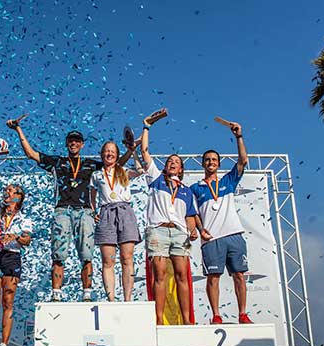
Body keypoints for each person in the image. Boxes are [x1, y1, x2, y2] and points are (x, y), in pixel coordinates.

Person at [7, 117, 133, 302]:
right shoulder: (57, 162)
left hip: (85, 212)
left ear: (82, 145)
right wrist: (18, 129)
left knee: (87, 255)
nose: (73, 143)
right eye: (70, 141)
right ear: (67, 144)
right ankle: (56, 294)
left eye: (77, 141)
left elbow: (117, 165)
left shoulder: (92, 165)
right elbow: (32, 154)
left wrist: (130, 149)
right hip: (62, 211)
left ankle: (86, 294)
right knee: (58, 254)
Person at [190, 120, 254, 324]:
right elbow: (194, 213)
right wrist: (201, 230)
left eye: (214, 160)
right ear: (203, 164)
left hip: (234, 234)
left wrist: (238, 136)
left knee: (239, 276)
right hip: (211, 239)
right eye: (207, 160)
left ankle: (242, 314)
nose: (211, 162)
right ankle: (216, 316)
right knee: (213, 278)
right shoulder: (195, 188)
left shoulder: (228, 181)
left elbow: (243, 161)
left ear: (218, 163)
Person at [140, 109, 199, 324]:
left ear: (181, 169)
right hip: (158, 230)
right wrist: (147, 126)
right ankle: (158, 320)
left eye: (177, 161)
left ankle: (187, 320)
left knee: (183, 275)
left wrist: (193, 231)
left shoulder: (187, 190)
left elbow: (190, 217)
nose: (173, 162)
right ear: (165, 166)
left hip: (179, 233)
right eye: (170, 160)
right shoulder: (156, 179)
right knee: (160, 274)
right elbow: (145, 152)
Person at [90, 140, 143, 301]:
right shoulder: (96, 175)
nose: (109, 154)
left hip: (125, 211)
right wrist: (94, 212)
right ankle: (111, 299)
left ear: (117, 155)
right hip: (106, 212)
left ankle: (127, 299)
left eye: (113, 151)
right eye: (106, 151)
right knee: (108, 260)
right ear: (102, 154)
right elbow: (92, 195)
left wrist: (133, 151)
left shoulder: (124, 170)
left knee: (127, 258)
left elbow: (140, 170)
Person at [0, 184, 33, 346]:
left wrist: (16, 236)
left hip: (12, 257)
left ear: (19, 197)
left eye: (12, 191)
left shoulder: (24, 219)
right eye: (6, 190)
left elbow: (27, 240)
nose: (7, 192)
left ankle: (4, 344)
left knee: (8, 301)